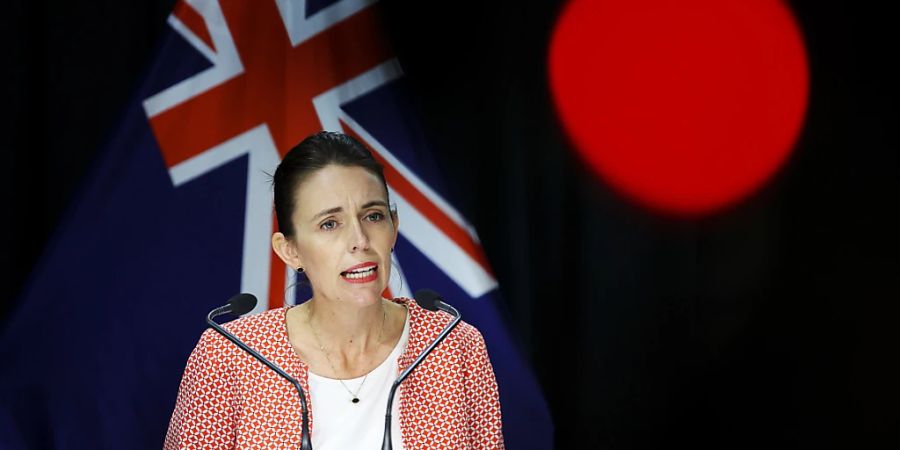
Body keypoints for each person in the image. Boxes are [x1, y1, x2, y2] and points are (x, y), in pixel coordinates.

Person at [163, 131, 504, 449]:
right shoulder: (230, 356)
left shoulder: (452, 345)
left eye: (372, 216)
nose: (360, 241)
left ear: (394, 227)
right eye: (330, 224)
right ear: (289, 250)